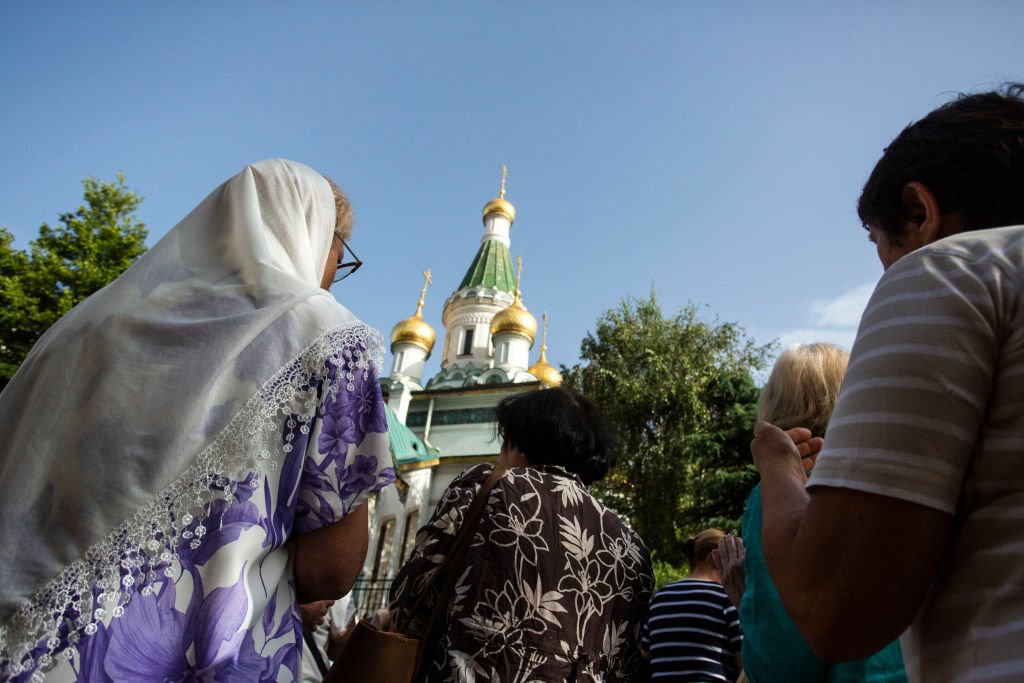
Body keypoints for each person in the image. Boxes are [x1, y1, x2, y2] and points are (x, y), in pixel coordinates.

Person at [0, 159, 395, 681]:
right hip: (184, 654)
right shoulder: (324, 336)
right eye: (339, 259)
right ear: (317, 238)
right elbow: (332, 567)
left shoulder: (86, 327)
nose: (331, 279)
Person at [751, 83, 1024, 681]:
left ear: (920, 211)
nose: (879, 265)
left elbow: (834, 610)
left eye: (877, 242)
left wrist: (776, 466)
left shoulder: (950, 269)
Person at [388, 387, 654, 681]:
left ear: (519, 444)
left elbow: (410, 601)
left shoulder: (487, 488)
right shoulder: (631, 547)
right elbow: (628, 662)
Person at [718, 344, 906, 682]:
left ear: (774, 406)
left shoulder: (777, 493)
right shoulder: (900, 483)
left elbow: (783, 664)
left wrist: (750, 604)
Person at [643, 529, 743, 683]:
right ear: (715, 557)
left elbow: (646, 655)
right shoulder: (726, 598)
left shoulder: (658, 598)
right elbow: (745, 662)